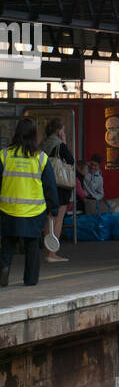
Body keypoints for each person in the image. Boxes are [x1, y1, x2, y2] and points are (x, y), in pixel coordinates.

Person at [0, 117, 61, 287]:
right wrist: (53, 208)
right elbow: (50, 186)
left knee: (7, 243)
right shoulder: (40, 158)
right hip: (34, 211)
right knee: (32, 246)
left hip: (8, 208)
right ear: (34, 135)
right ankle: (31, 279)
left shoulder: (4, 155)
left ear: (16, 134)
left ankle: (3, 271)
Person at [42, 119, 74, 263]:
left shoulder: (43, 144)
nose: (64, 132)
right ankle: (52, 253)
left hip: (46, 184)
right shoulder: (60, 145)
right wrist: (64, 141)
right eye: (63, 130)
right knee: (58, 219)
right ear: (58, 131)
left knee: (49, 219)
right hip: (60, 185)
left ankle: (48, 249)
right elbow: (70, 160)